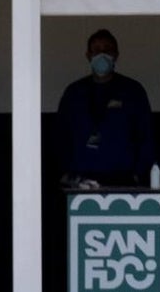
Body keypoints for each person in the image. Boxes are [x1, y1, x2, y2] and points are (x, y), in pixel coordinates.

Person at [56, 28, 154, 188]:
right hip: (81, 183)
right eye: (96, 51)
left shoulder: (132, 91)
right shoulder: (74, 92)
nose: (102, 55)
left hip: (123, 181)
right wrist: (68, 175)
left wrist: (138, 175)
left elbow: (146, 136)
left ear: (116, 55)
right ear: (88, 56)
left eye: (107, 50)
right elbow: (60, 137)